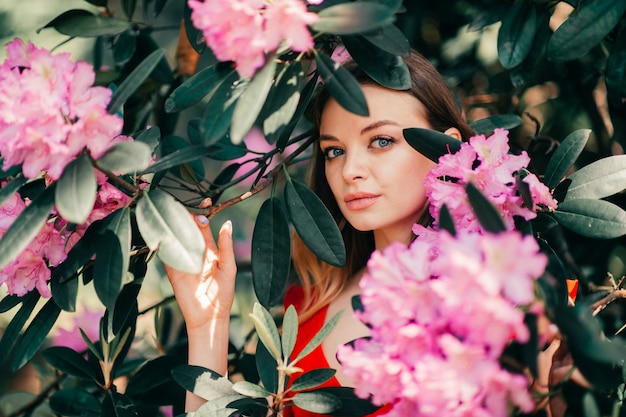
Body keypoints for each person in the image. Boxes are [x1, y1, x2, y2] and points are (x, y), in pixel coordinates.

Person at [165, 50, 474, 415]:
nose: (349, 170)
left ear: (445, 149)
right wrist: (207, 325)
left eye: (381, 141)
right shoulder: (308, 312)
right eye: (334, 150)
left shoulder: (504, 295)